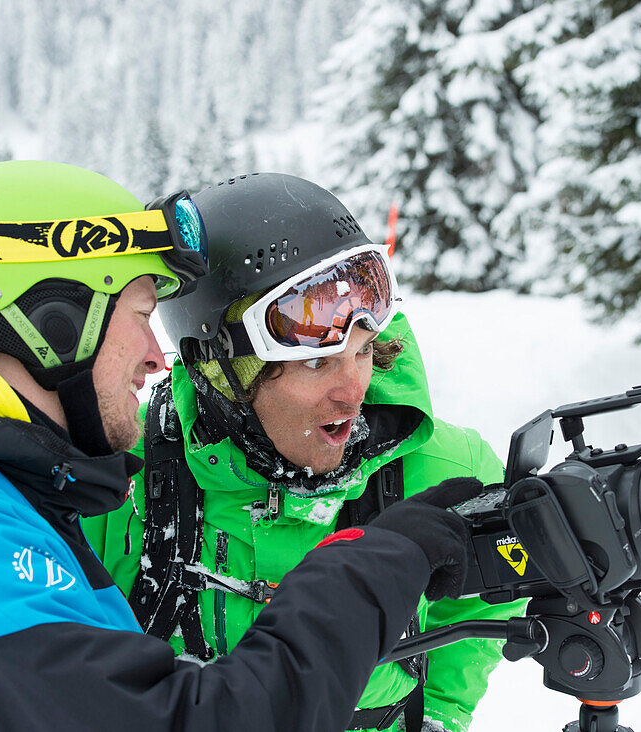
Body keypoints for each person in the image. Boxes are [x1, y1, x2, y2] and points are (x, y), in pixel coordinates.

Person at [0, 161, 486, 731]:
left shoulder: (5, 501)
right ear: (56, 322)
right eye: (139, 316)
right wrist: (371, 570)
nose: (156, 354)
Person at [83, 173, 524, 732]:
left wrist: (440, 713)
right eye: (317, 363)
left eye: (362, 352)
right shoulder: (119, 483)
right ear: (224, 372)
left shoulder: (444, 472)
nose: (353, 390)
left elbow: (487, 600)